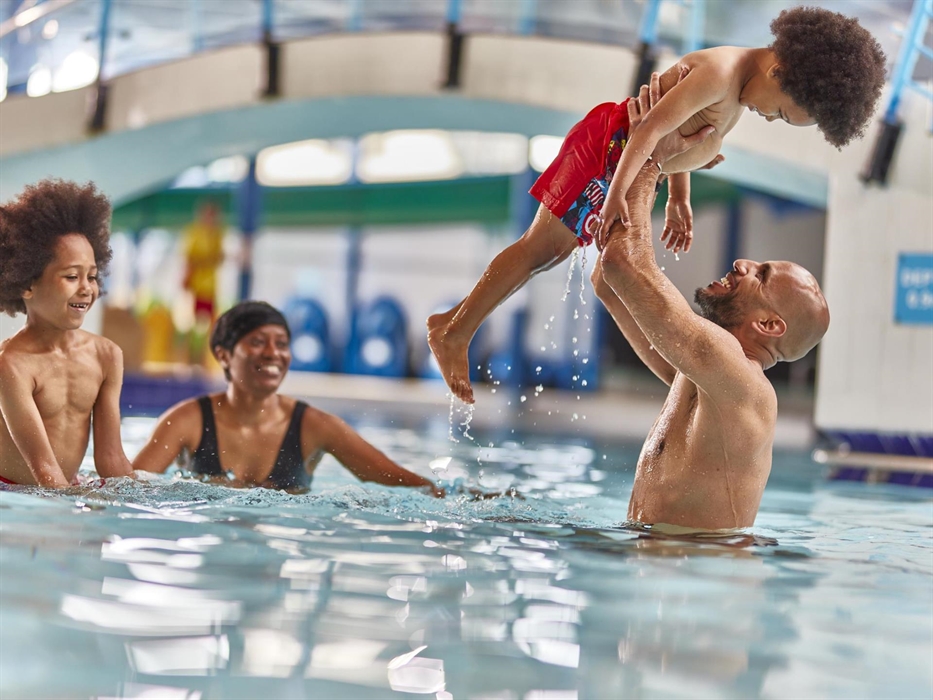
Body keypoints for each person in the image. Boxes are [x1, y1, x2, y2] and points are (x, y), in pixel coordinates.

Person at [428, 6, 880, 404]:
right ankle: (455, 334)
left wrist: (681, 197)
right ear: (779, 72)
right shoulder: (721, 73)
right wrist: (619, 195)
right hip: (612, 147)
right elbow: (647, 132)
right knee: (538, 250)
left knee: (552, 254)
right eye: (780, 113)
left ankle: (453, 321)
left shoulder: (740, 85)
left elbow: (678, 138)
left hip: (625, 160)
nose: (768, 118)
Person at [591, 85, 830, 530]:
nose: (741, 263)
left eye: (760, 275)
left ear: (769, 324)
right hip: (675, 566)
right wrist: (650, 169)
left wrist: (652, 158)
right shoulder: (705, 378)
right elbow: (608, 283)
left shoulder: (738, 378)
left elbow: (622, 265)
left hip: (701, 577)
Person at [133, 301, 444, 495]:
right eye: (257, 342)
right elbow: (132, 487)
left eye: (281, 343)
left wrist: (460, 497)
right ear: (223, 355)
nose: (273, 353)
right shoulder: (187, 421)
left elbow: (399, 482)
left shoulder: (314, 426)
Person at [0, 180, 134, 488]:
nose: (86, 288)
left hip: (66, 485)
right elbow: (44, 471)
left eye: (92, 276)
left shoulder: (106, 355)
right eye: (72, 276)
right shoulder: (13, 364)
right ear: (26, 284)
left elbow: (111, 459)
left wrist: (148, 505)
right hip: (13, 496)